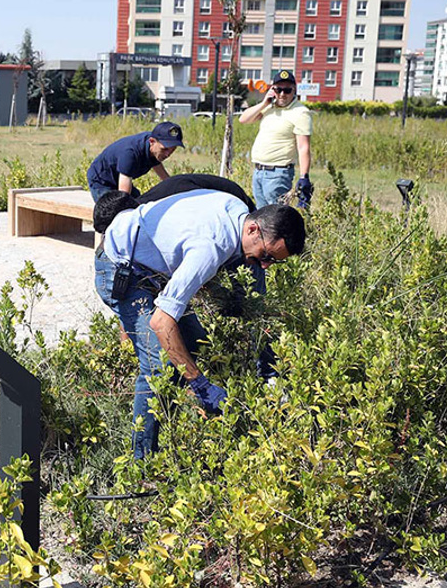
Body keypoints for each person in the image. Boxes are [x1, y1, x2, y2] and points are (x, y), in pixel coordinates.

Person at [93, 188, 306, 458]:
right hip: (119, 268)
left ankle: (167, 421)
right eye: (266, 256)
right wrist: (200, 384)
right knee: (159, 366)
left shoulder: (236, 209)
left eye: (273, 262)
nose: (264, 266)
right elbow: (161, 322)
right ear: (253, 229)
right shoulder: (211, 247)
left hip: (153, 270)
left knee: (193, 342)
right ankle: (143, 463)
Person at [238, 69, 313, 209]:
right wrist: (264, 103)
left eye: (287, 90)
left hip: (278, 174)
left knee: (276, 217)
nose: (282, 94)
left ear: (294, 90)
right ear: (273, 90)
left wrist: (304, 177)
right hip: (259, 171)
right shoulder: (269, 108)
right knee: (262, 217)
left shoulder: (300, 112)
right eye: (278, 90)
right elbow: (243, 119)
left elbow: (303, 148)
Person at [86, 121, 185, 202]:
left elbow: (159, 169)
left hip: (120, 179)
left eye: (172, 149)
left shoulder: (155, 149)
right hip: (102, 182)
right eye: (164, 149)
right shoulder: (130, 153)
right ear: (152, 141)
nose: (168, 154)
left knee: (140, 203)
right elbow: (123, 196)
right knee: (113, 211)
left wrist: (174, 189)